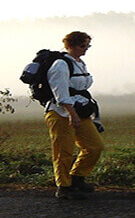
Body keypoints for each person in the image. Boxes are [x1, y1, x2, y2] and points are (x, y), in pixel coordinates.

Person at [44, 31, 105, 200]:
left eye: (87, 46)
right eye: (82, 45)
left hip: (79, 110)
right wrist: (72, 114)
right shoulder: (61, 65)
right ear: (70, 45)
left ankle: (77, 177)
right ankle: (63, 187)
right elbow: (60, 93)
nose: (85, 49)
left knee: (94, 146)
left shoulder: (79, 63)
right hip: (60, 112)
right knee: (63, 151)